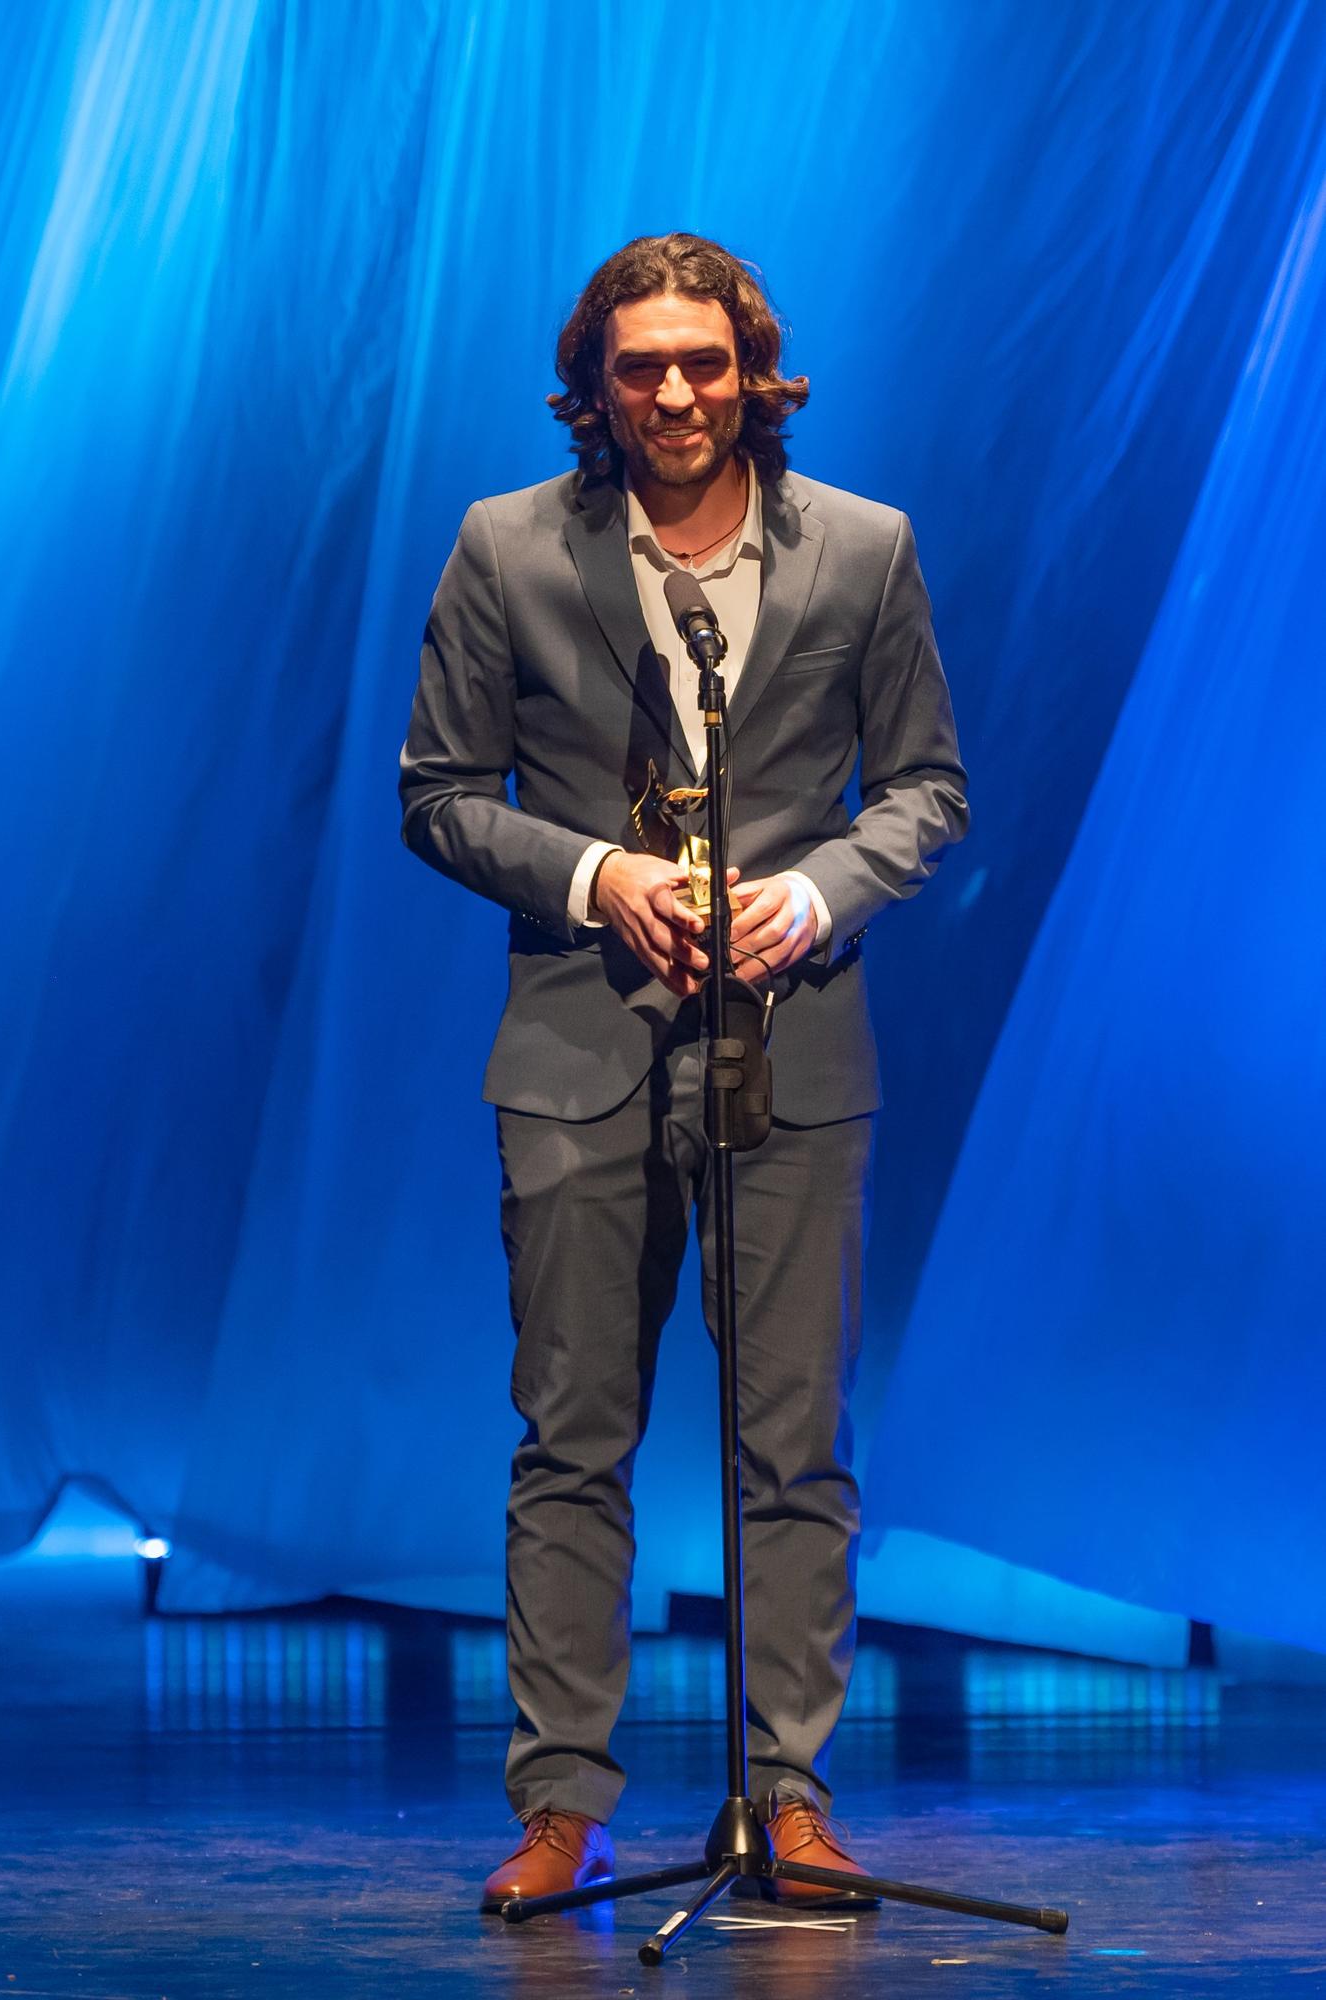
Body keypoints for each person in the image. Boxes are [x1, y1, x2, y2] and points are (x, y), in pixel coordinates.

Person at [399, 233, 968, 1910]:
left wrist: (809, 896)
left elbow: (927, 792)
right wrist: (598, 879)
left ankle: (788, 1799)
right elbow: (438, 792)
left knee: (790, 1444)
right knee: (573, 1437)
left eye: (704, 363)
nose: (674, 393)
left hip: (796, 1045)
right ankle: (563, 1812)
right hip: (579, 1046)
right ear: (597, 383)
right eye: (641, 365)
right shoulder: (507, 547)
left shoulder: (865, 550)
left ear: (756, 373)